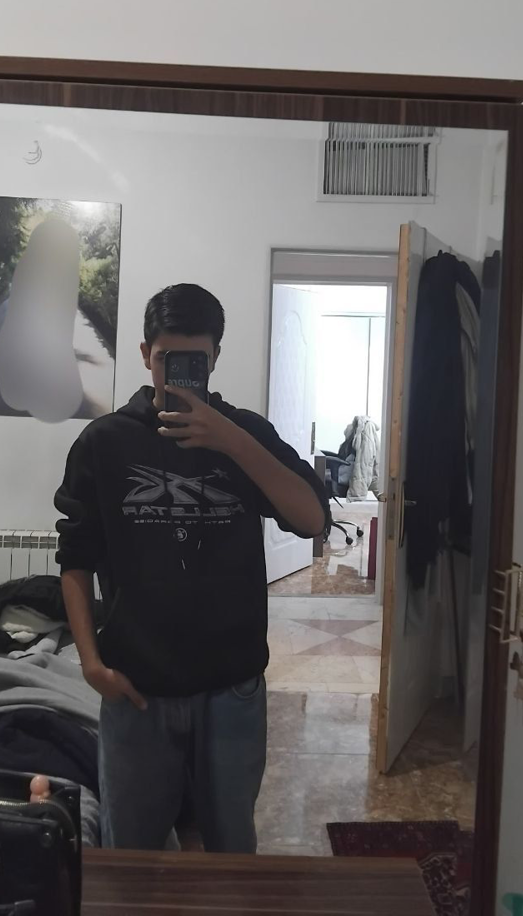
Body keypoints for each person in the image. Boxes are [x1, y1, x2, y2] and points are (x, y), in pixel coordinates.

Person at [54, 283, 329, 852]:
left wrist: (232, 442)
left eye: (194, 362)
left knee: (231, 854)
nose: (176, 376)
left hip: (232, 688)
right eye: (165, 359)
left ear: (215, 358)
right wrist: (90, 663)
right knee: (131, 858)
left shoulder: (246, 434)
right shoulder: (105, 442)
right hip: (136, 687)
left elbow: (311, 520)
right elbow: (75, 558)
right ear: (144, 355)